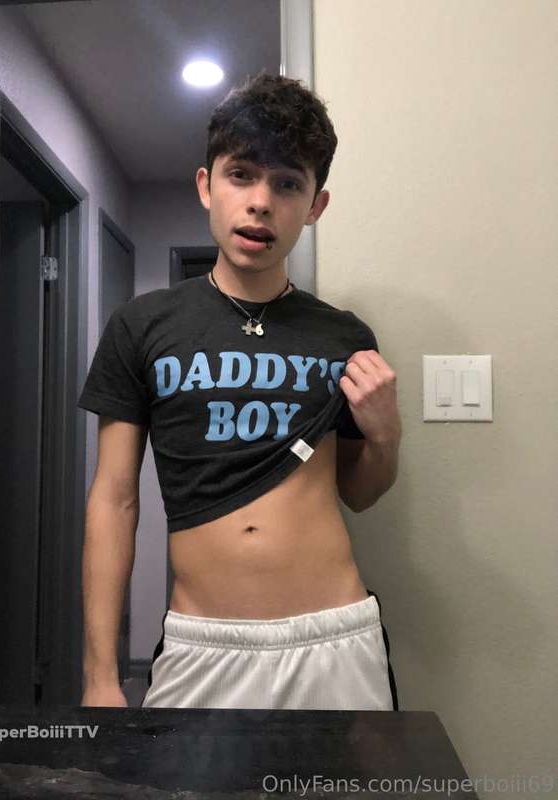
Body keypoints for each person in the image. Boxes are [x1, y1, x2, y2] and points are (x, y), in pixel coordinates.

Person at [78, 69, 402, 711]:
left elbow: (360, 493)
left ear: (315, 206)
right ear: (207, 185)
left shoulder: (344, 335)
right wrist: (99, 676)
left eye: (287, 184)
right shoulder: (142, 325)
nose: (260, 203)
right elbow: (114, 500)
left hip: (334, 638)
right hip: (202, 645)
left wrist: (386, 434)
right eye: (241, 175)